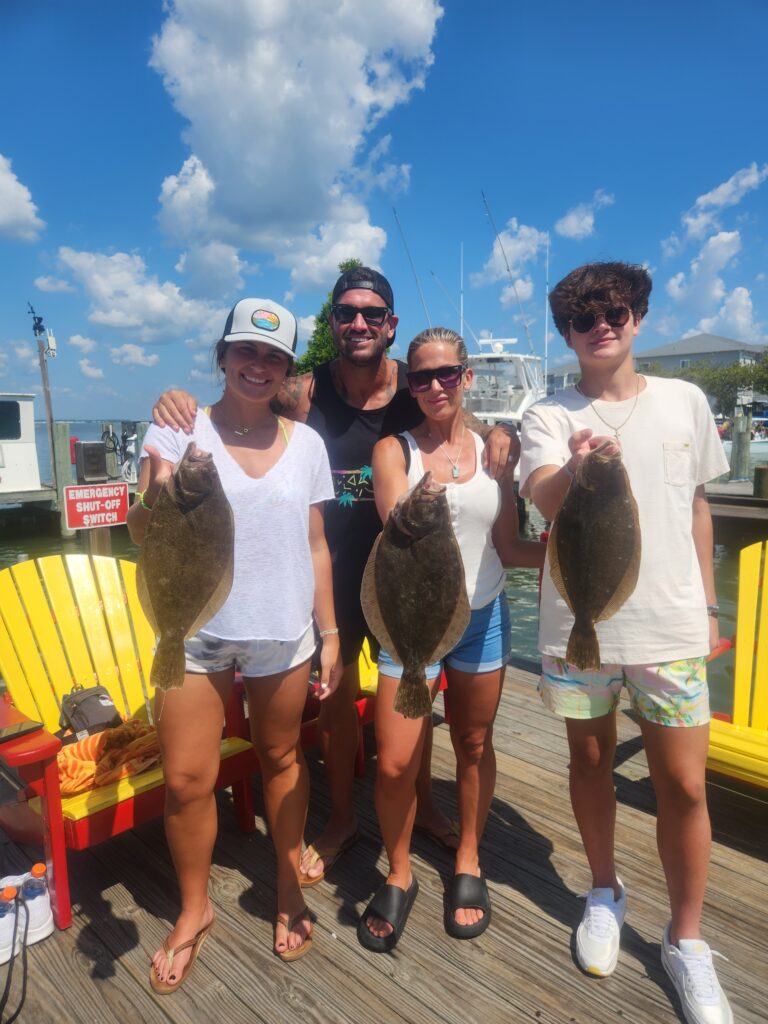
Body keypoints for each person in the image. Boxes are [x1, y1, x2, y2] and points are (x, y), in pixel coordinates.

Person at [151, 266, 518, 886]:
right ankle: (344, 816)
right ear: (332, 323)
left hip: (409, 567)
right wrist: (174, 402)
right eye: (345, 312)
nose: (358, 324)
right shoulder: (303, 393)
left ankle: (425, 804)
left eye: (371, 314)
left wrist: (499, 431)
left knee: (416, 687)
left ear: (390, 325)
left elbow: (460, 422)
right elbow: (242, 396)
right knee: (340, 700)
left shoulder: (414, 382)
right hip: (337, 568)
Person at [519, 262, 733, 1024]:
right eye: (583, 317)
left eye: (615, 311)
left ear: (638, 316)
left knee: (683, 786)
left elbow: (699, 506)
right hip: (581, 629)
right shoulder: (548, 412)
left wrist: (708, 605)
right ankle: (603, 889)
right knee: (589, 762)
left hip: (671, 627)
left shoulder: (686, 401)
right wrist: (576, 469)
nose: (601, 324)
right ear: (567, 333)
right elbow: (542, 496)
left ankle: (685, 940)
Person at [128, 298, 341, 990]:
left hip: (282, 630)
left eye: (274, 357)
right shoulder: (176, 429)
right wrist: (156, 484)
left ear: (286, 369)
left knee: (282, 756)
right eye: (246, 351)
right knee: (188, 780)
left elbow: (316, 544)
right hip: (192, 635)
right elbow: (140, 525)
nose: (259, 365)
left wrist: (331, 631)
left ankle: (287, 884)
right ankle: (195, 909)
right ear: (222, 356)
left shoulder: (307, 444)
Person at [356, 327, 545, 952]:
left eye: (445, 374)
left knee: (472, 742)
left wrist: (566, 551)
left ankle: (467, 858)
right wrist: (429, 494)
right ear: (408, 384)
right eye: (420, 376)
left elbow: (511, 546)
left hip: (484, 618)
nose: (433, 386)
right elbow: (398, 538)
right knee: (393, 760)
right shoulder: (394, 452)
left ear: (467, 377)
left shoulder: (499, 454)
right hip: (411, 622)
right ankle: (401, 869)